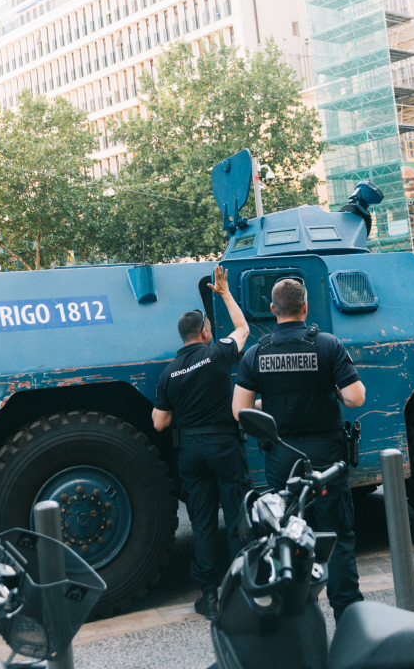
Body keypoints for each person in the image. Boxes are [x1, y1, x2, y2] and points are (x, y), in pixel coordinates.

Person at [231, 278, 366, 622]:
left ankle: (297, 617)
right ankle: (349, 616)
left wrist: (274, 400)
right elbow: (355, 397)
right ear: (305, 307)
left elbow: (241, 411)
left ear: (273, 310)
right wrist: (331, 390)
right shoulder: (327, 345)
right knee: (335, 535)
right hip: (325, 456)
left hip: (281, 458)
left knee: (286, 539)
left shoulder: (256, 353)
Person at [152, 265, 252, 619]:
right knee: (238, 515)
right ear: (205, 332)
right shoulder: (218, 354)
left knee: (203, 522)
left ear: (183, 337)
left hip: (190, 451)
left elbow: (160, 422)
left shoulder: (169, 373)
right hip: (224, 445)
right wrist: (224, 293)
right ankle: (241, 591)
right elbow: (243, 329)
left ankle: (209, 596)